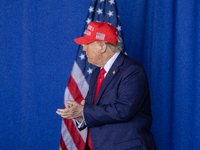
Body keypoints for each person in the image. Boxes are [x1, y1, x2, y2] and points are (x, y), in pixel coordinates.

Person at [56, 22, 156, 150]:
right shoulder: (97, 73)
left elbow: (123, 110)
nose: (84, 48)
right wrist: (80, 115)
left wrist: (84, 111)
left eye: (88, 44)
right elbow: (92, 111)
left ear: (102, 46)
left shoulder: (132, 71)